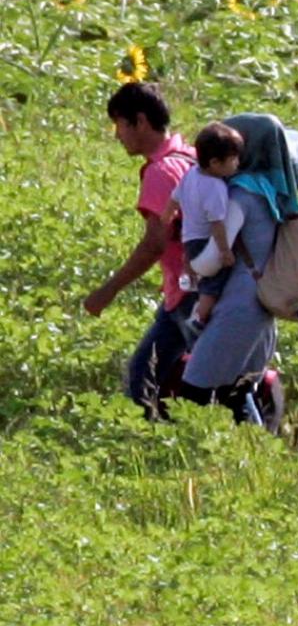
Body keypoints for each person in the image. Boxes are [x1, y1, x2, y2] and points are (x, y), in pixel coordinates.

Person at [178, 113, 298, 422]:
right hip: (259, 304)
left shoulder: (241, 195)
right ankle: (255, 453)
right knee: (238, 393)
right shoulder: (268, 190)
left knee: (194, 391)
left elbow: (211, 261)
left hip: (239, 308)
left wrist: (190, 264)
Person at [83, 82, 197, 420]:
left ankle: (148, 447)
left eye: (119, 124)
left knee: (143, 380)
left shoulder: (162, 172)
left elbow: (154, 244)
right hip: (198, 289)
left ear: (141, 122)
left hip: (190, 293)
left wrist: (108, 290)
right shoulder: (189, 156)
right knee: (152, 376)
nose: (117, 135)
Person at [163, 122, 244, 334]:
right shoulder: (216, 188)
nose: (237, 163)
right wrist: (225, 252)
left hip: (188, 241)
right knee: (214, 284)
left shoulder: (191, 175)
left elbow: (174, 197)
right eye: (233, 159)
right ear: (215, 163)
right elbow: (217, 225)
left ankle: (192, 284)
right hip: (204, 243)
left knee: (200, 278)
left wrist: (167, 215)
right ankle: (198, 318)